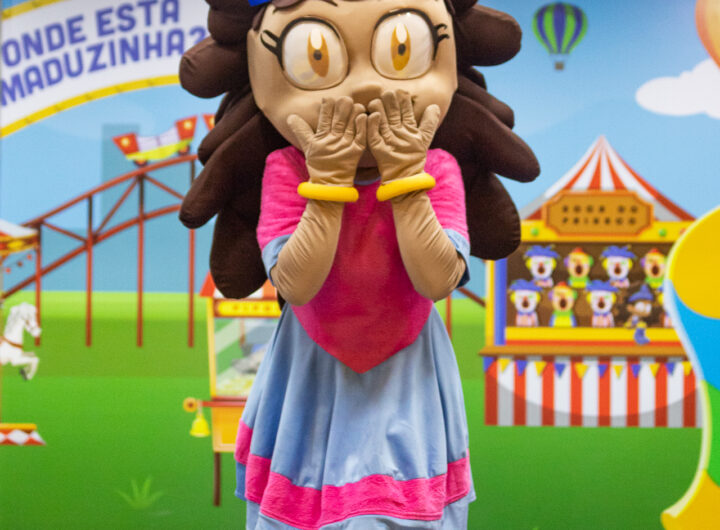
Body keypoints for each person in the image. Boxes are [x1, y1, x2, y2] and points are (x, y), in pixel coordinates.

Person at [179, 1, 539, 527]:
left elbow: (437, 278)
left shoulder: (438, 168)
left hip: (407, 384)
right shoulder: (284, 169)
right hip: (309, 383)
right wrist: (327, 186)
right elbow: (296, 284)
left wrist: (406, 179)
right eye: (315, 58)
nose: (367, 88)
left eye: (401, 52)